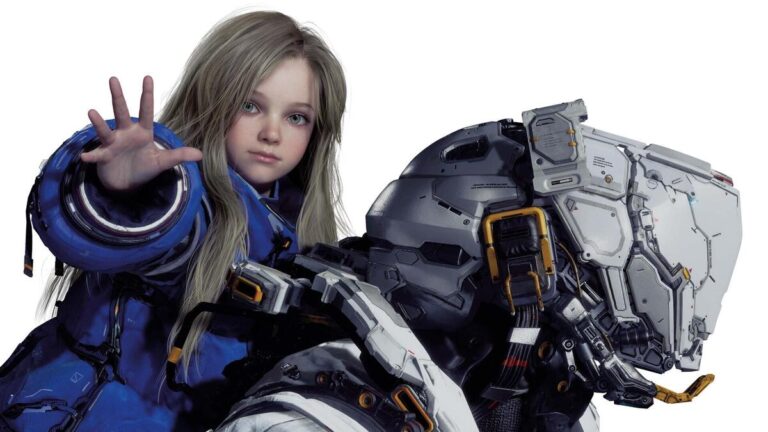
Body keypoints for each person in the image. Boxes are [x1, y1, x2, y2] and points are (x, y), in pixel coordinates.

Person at [0, 10, 347, 431]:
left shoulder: (300, 233)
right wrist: (123, 191)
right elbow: (166, 236)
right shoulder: (184, 195)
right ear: (213, 99)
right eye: (250, 106)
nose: (272, 133)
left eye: (296, 117)